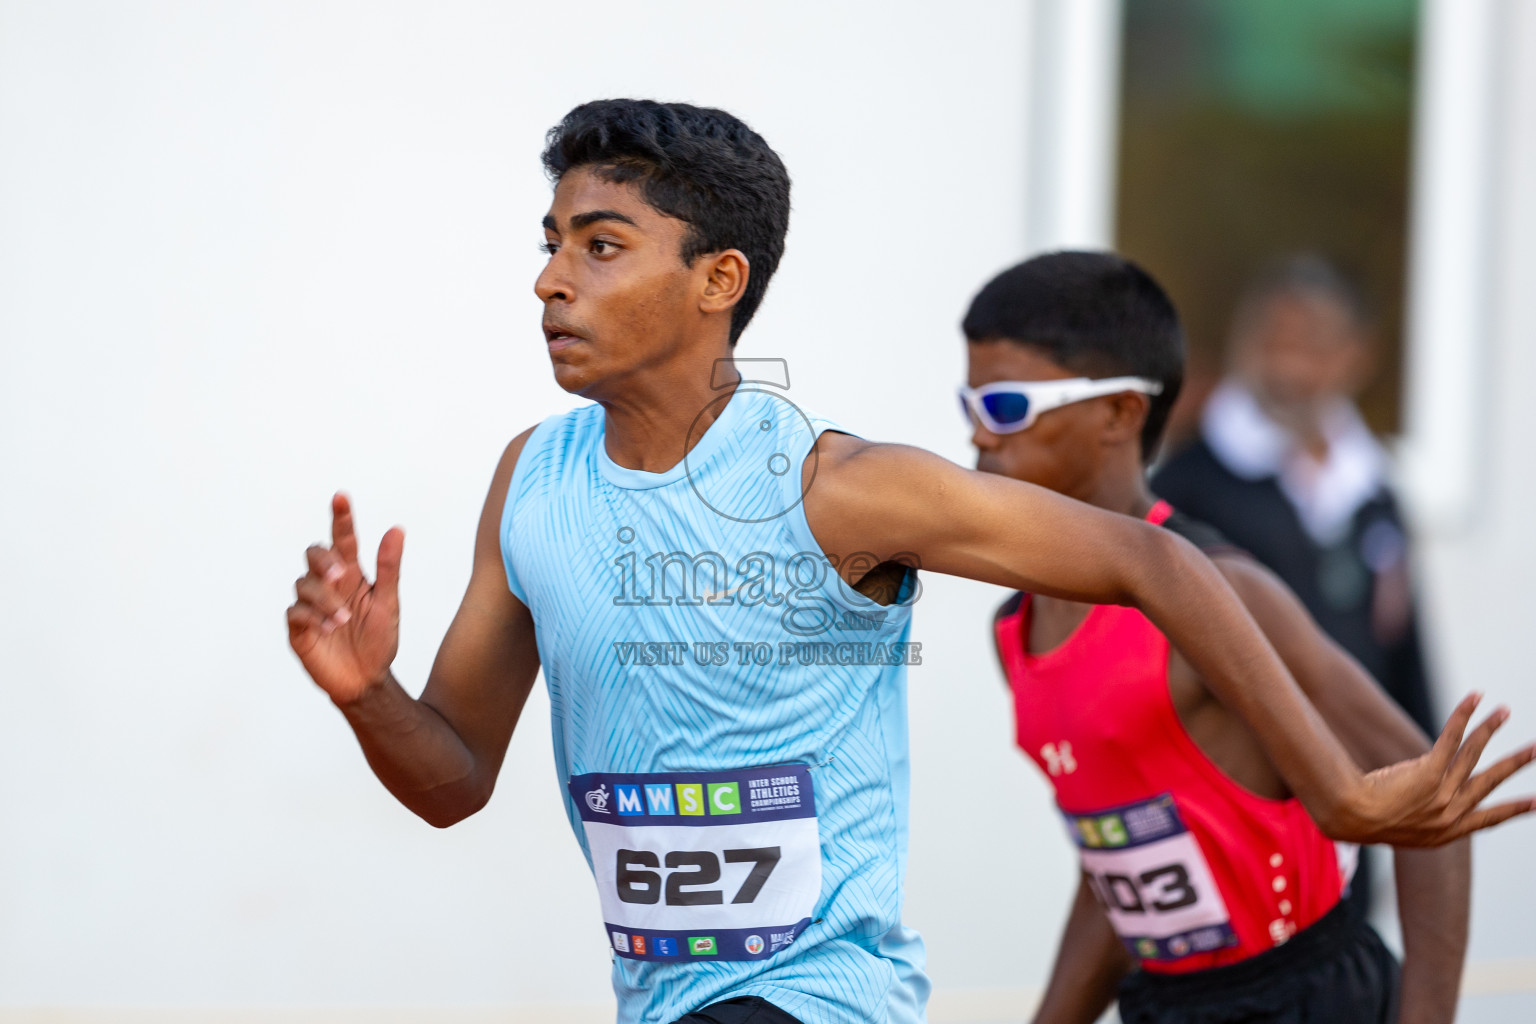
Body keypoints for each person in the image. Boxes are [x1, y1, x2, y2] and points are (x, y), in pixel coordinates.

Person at [286, 102, 1531, 1024]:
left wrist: (1347, 795)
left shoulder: (847, 488)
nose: (551, 278)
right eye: (551, 240)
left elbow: (1163, 565)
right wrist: (365, 694)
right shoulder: (533, 484)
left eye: (600, 245)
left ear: (719, 280)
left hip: (828, 997)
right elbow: (452, 781)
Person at [961, 251, 1491, 1024]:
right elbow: (1124, 855)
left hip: (1308, 993)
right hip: (1167, 1000)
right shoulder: (1015, 627)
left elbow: (1431, 806)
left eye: (1006, 407)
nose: (979, 438)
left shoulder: (1220, 587)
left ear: (1119, 414)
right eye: (968, 403)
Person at [1152, 255, 1438, 918]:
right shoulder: (1187, 486)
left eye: (1310, 342)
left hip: (1352, 811)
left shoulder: (1373, 491)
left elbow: (1400, 646)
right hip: (1226, 809)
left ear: (1355, 355)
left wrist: (1427, 772)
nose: (1288, 364)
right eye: (1272, 340)